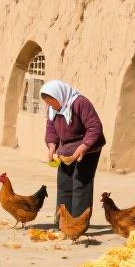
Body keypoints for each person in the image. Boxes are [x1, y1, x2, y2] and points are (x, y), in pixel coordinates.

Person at [40, 79, 105, 226]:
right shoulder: (52, 109)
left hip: (88, 148)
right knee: (64, 182)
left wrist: (84, 146)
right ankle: (63, 221)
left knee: (80, 183)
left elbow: (94, 127)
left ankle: (78, 224)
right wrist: (52, 146)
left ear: (59, 95)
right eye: (47, 103)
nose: (50, 105)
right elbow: (51, 129)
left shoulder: (80, 103)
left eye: (51, 102)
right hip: (67, 148)